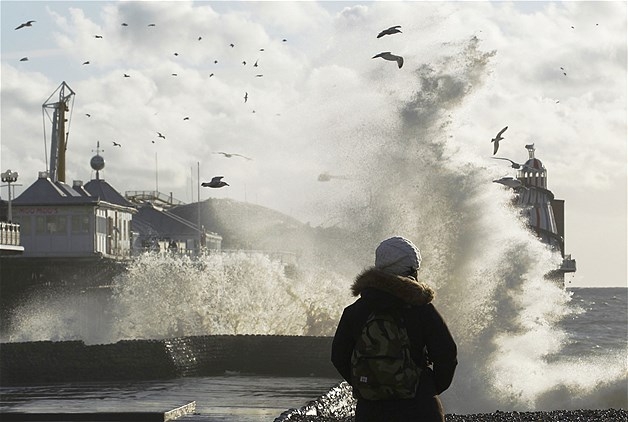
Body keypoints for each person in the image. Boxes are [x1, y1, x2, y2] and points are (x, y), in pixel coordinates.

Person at [331, 236, 457, 422]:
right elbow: (446, 354)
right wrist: (427, 387)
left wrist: (370, 384)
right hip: (419, 409)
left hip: (371, 411)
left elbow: (338, 357)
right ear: (411, 270)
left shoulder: (355, 311)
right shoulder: (422, 309)